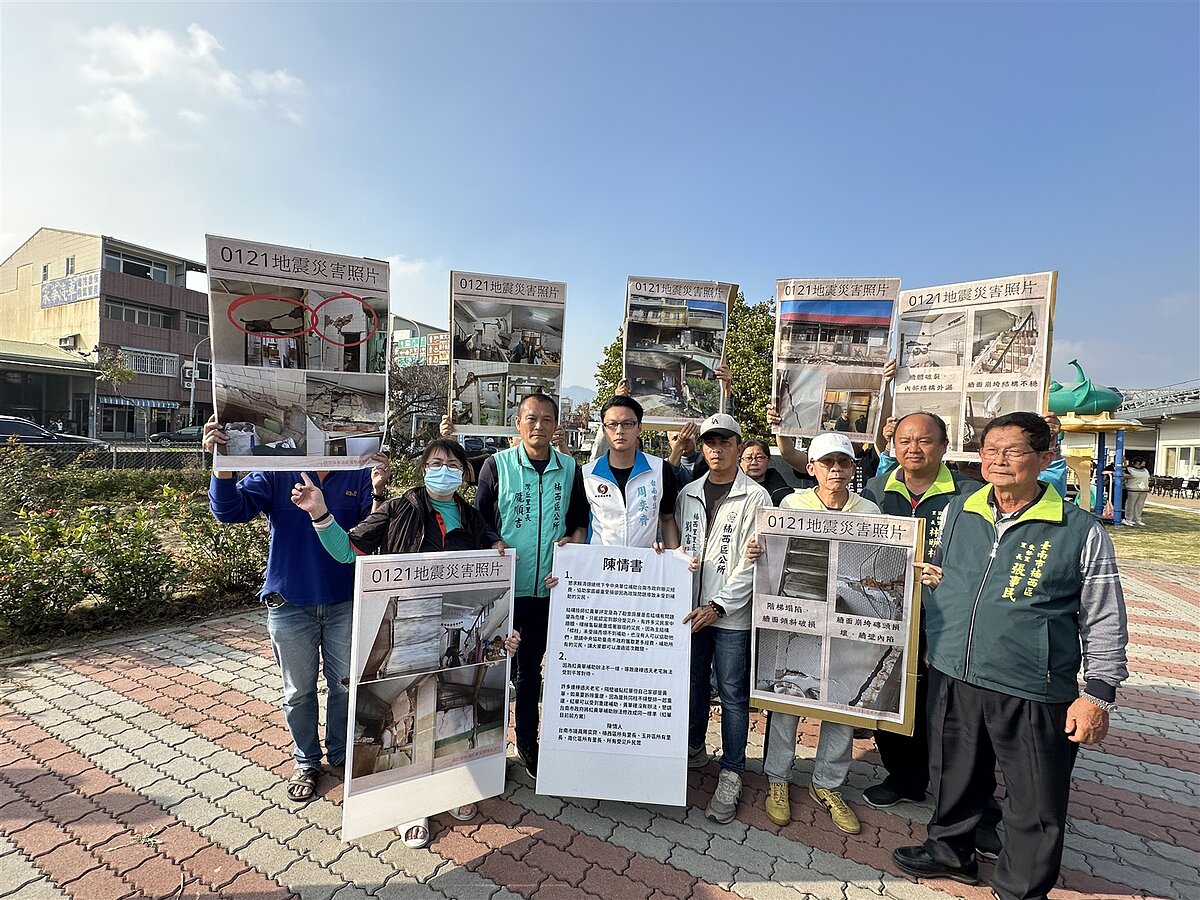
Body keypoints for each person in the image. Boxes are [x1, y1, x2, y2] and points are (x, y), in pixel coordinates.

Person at [893, 412, 1129, 900]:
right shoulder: (961, 509)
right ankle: (949, 852)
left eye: (1013, 450)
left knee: (1034, 799)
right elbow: (955, 572)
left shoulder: (1077, 529)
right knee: (953, 777)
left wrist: (1099, 694)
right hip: (955, 670)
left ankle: (1021, 888)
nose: (998, 460)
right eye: (990, 450)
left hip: (1032, 684)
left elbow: (1104, 615)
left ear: (1045, 458)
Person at [292, 437, 520, 848]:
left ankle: (454, 788)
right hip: (408, 632)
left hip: (452, 638)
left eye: (452, 464)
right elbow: (350, 551)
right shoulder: (398, 508)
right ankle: (409, 808)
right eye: (435, 462)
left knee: (454, 710)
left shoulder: (472, 516)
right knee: (413, 717)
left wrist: (499, 553)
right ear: (422, 470)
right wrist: (320, 512)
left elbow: (493, 554)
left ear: (465, 473)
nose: (444, 470)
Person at [203, 416, 389, 804]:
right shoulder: (278, 468)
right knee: (298, 692)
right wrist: (221, 465)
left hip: (345, 600)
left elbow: (373, 535)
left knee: (345, 687)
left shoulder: (355, 472)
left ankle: (340, 752)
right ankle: (306, 760)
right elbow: (228, 512)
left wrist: (378, 491)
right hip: (290, 603)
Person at [857, 412, 1008, 853]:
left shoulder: (971, 495)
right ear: (894, 444)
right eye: (904, 440)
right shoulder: (876, 492)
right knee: (887, 700)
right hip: (884, 617)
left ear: (944, 446)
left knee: (954, 721)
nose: (914, 449)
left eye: (925, 441)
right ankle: (904, 777)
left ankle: (978, 813)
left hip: (946, 623)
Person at [747, 432, 900, 835]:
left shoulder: (869, 509)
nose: (836, 470)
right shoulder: (791, 504)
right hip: (798, 613)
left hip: (848, 615)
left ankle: (827, 783)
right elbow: (775, 552)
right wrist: (757, 551)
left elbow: (884, 561)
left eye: (843, 463)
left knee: (841, 700)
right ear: (810, 468)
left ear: (853, 468)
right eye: (827, 463)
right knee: (785, 696)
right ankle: (777, 777)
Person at [468, 393, 590, 778]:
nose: (539, 426)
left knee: (529, 672)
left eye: (547, 419)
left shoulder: (570, 469)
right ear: (518, 424)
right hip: (504, 590)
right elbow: (479, 520)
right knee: (491, 669)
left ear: (557, 426)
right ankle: (483, 749)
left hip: (546, 591)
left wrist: (576, 539)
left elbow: (578, 520)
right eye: (531, 419)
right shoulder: (497, 465)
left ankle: (528, 744)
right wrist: (493, 541)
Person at [676, 413, 771, 824]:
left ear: (737, 446)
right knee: (693, 683)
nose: (717, 448)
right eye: (710, 442)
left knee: (732, 693)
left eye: (725, 441)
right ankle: (694, 747)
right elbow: (676, 546)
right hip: (690, 612)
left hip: (730, 615)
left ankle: (733, 770)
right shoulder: (688, 493)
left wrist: (719, 604)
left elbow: (755, 564)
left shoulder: (757, 498)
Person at [583, 395, 681, 548]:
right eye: (612, 424)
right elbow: (580, 527)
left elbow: (667, 519)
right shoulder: (587, 475)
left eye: (627, 424)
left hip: (642, 566)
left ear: (639, 427)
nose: (620, 431)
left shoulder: (660, 469)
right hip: (600, 566)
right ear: (603, 429)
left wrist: (675, 558)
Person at [738, 439, 795, 506]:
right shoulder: (731, 489)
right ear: (740, 462)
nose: (754, 463)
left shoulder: (784, 495)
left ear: (768, 461)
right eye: (748, 458)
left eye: (759, 458)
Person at [1123, 457, 1150, 525]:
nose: (1144, 463)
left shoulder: (1145, 470)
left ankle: (1138, 519)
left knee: (1140, 505)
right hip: (1132, 489)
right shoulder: (1129, 469)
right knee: (1130, 505)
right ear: (1138, 462)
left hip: (1144, 490)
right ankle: (1129, 518)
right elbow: (1124, 475)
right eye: (1143, 462)